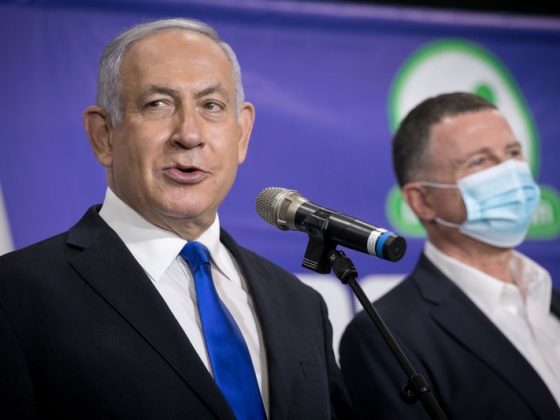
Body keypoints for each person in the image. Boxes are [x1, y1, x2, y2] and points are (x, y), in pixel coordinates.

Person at [0, 18, 351, 419]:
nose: (189, 134)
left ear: (242, 133)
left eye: (211, 106)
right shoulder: (16, 296)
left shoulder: (300, 305)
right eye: (158, 104)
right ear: (104, 136)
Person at [340, 92, 560, 419]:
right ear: (422, 201)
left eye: (513, 153)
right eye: (480, 162)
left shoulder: (551, 299)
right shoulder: (387, 337)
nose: (511, 173)